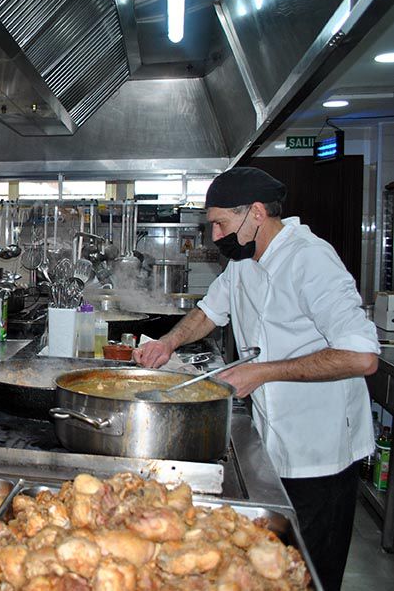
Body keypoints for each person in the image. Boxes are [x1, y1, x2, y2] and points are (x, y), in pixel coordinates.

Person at [133, 166, 378, 591]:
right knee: (272, 571)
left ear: (257, 213)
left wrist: (262, 372)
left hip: (321, 453)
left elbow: (361, 357)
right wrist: (167, 344)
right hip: (272, 446)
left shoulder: (311, 260)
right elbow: (209, 312)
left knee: (311, 573)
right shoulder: (245, 262)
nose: (214, 236)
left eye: (220, 223)